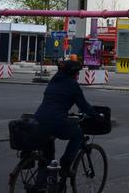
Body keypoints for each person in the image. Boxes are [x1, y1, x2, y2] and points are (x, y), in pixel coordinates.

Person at [33, 60, 100, 189]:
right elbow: (84, 106)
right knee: (78, 134)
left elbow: (54, 102)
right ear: (73, 73)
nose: (78, 75)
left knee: (47, 157)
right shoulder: (72, 85)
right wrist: (97, 116)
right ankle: (65, 164)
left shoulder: (54, 80)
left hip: (38, 120)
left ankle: (40, 185)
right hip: (55, 121)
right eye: (77, 73)